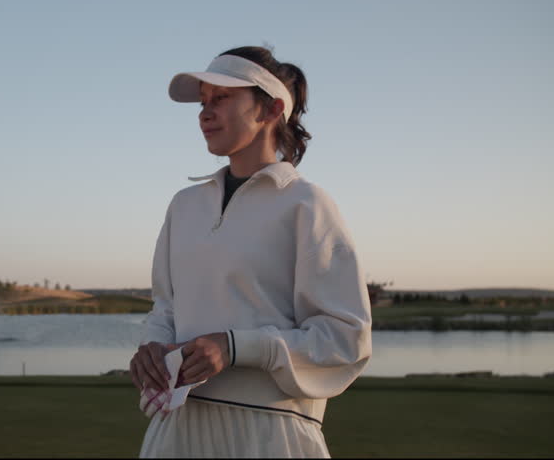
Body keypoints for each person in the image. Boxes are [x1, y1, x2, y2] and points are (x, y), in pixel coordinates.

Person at [129, 46, 373, 458]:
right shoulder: (184, 205)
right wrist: (151, 347)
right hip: (177, 431)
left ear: (271, 109)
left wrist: (235, 347)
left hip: (270, 433)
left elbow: (346, 339)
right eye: (203, 102)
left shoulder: (307, 204)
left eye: (221, 98)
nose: (205, 113)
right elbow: (166, 309)